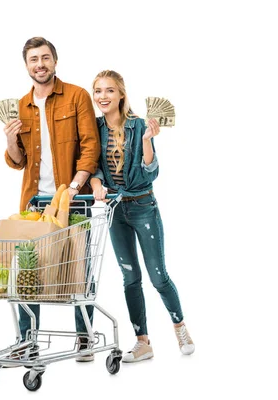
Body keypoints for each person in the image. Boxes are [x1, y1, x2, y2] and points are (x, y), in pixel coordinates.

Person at [2, 37, 100, 363]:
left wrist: (75, 186)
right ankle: (27, 340)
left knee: (78, 271)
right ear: (27, 65)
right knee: (29, 274)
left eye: (45, 58)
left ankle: (84, 337)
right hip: (34, 204)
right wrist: (10, 139)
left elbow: (90, 146)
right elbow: (18, 160)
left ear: (55, 61)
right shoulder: (20, 105)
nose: (40, 64)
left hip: (73, 199)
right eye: (34, 59)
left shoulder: (77, 96)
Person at [89, 70, 195, 363]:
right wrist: (97, 184)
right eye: (98, 91)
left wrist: (148, 139)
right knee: (130, 277)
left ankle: (180, 326)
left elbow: (152, 171)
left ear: (121, 94)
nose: (103, 97)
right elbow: (93, 164)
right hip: (114, 210)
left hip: (143, 206)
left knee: (158, 276)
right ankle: (142, 341)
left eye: (110, 90)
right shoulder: (95, 127)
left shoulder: (137, 125)